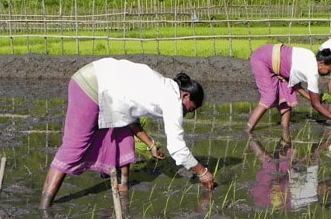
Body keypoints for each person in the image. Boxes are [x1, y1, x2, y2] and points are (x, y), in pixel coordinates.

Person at [39, 57, 214, 209]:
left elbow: (128, 119)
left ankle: (122, 187)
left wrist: (151, 144)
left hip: (100, 81)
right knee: (73, 149)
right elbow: (177, 148)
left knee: (121, 135)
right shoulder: (172, 100)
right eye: (193, 108)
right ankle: (44, 207)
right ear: (186, 97)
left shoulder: (164, 87)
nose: (189, 112)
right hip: (90, 85)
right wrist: (202, 172)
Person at [245, 44, 331, 134]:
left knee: (287, 95)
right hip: (262, 59)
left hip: (271, 57)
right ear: (321, 64)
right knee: (270, 97)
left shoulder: (310, 56)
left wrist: (310, 97)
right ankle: (248, 130)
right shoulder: (312, 73)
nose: (327, 73)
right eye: (328, 70)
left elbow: (295, 84)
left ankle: (285, 131)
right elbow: (316, 105)